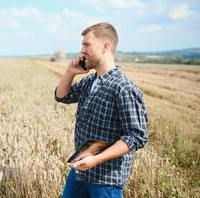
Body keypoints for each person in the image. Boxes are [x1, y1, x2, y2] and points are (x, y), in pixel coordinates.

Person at [55, 22, 148, 198]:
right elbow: (62, 96)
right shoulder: (90, 81)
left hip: (106, 179)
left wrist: (96, 160)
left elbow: (136, 136)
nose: (82, 50)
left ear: (105, 47)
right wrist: (70, 72)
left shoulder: (123, 88)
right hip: (80, 172)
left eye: (87, 44)